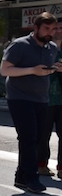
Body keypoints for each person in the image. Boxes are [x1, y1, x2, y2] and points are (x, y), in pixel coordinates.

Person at [0, 12, 59, 194]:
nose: (50, 32)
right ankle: (31, 178)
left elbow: (47, 69)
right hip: (20, 98)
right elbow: (4, 70)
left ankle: (21, 176)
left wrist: (55, 68)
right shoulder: (20, 45)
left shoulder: (52, 48)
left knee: (37, 139)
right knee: (29, 138)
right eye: (46, 28)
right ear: (36, 28)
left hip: (42, 99)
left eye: (53, 29)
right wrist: (32, 70)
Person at [38, 21, 62, 177]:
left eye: (61, 28)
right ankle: (41, 165)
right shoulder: (45, 49)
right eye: (56, 28)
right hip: (44, 98)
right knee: (43, 134)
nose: (58, 31)